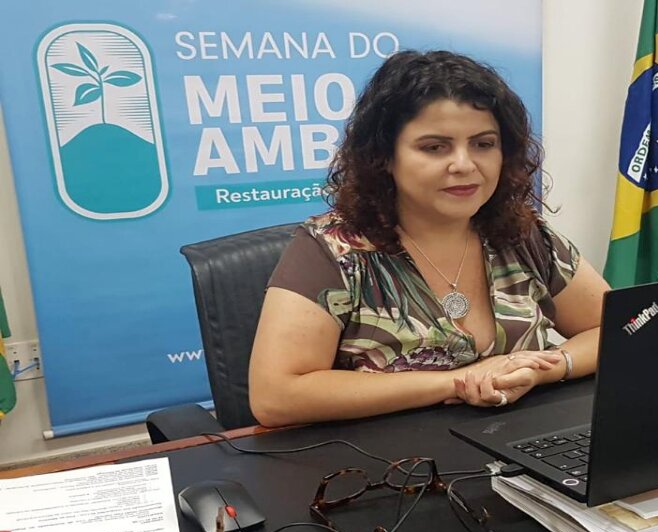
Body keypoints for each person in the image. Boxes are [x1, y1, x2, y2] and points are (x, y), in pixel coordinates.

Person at [249, 50, 609, 427]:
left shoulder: (523, 233)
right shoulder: (333, 248)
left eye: (483, 144)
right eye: (435, 147)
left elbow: (623, 327)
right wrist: (458, 383)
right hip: (392, 456)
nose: (464, 164)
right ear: (384, 157)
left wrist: (549, 368)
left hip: (518, 440)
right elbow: (276, 396)